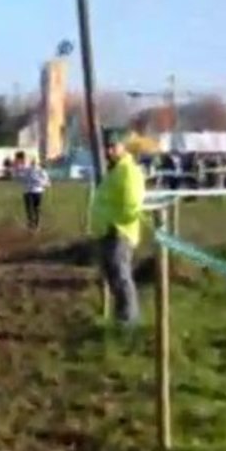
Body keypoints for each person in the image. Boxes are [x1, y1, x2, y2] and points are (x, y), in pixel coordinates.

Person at [91, 128, 146, 325]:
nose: (109, 151)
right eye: (107, 147)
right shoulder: (115, 170)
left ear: (123, 147)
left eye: (113, 146)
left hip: (119, 232)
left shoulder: (128, 171)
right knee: (113, 277)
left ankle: (129, 321)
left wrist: (118, 224)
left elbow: (132, 203)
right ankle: (121, 317)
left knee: (121, 277)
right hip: (108, 230)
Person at [16, 151, 50, 230]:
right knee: (32, 209)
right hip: (29, 191)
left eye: (34, 161)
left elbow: (47, 182)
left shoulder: (41, 171)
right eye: (32, 161)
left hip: (35, 192)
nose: (33, 162)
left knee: (35, 209)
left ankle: (35, 224)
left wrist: (41, 183)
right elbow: (20, 177)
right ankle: (32, 224)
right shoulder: (28, 169)